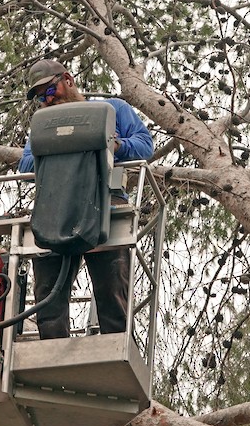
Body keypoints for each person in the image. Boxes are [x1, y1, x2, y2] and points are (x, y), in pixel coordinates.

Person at [19, 60, 154, 339]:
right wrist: (59, 148)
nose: (47, 100)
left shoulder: (113, 110)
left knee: (111, 288)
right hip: (56, 209)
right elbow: (25, 165)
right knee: (48, 292)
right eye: (40, 98)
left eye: (49, 90)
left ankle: (115, 344)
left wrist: (113, 145)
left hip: (107, 205)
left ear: (67, 79)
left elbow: (145, 144)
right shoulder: (44, 124)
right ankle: (52, 350)